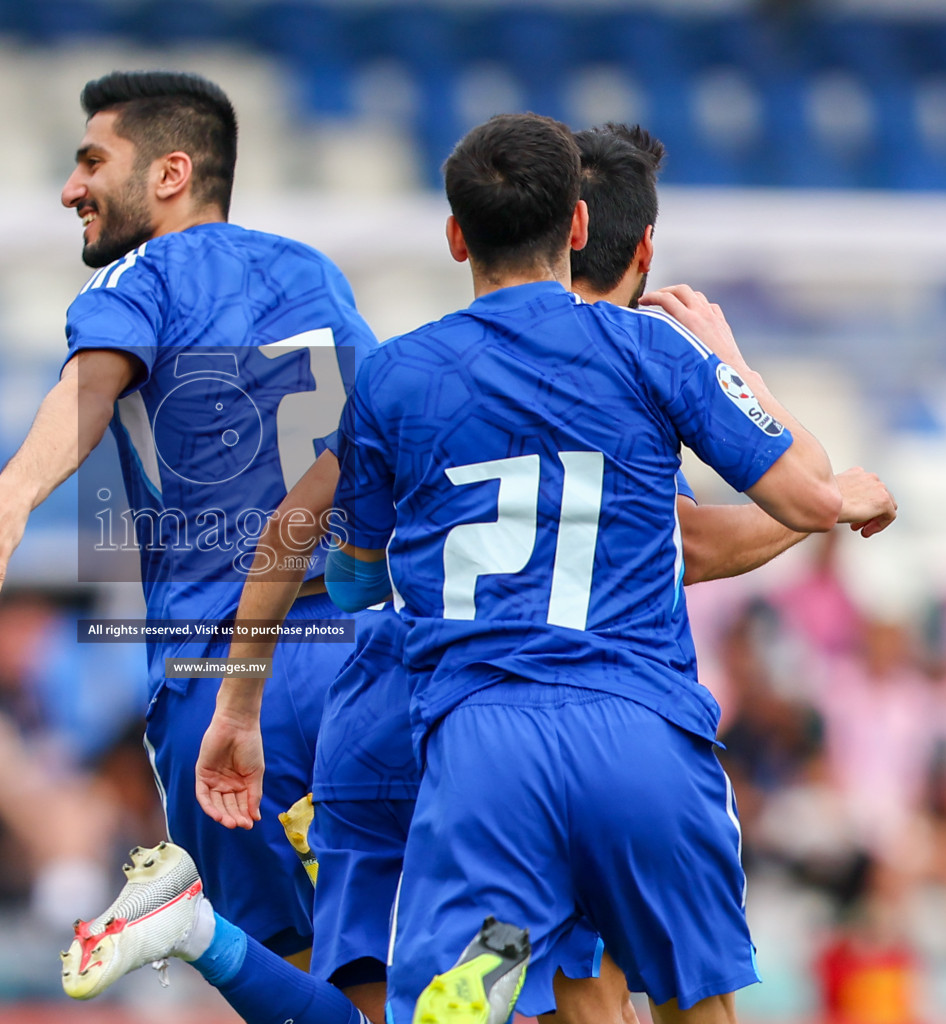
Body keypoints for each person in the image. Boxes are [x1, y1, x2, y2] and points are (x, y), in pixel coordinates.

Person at [193, 123, 897, 1024]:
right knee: (691, 1001)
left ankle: (490, 965)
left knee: (486, 980)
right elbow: (801, 494)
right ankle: (503, 958)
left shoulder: (396, 376)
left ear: (455, 236)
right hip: (640, 727)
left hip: (472, 739)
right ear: (576, 224)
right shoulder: (650, 352)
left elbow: (353, 581)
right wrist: (735, 368)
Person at [0, 71, 378, 1024]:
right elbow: (377, 438)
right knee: (374, 973)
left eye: (92, 161)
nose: (71, 187)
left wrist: (8, 498)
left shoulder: (139, 277)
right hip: (358, 667)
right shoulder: (314, 272)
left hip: (221, 676)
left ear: (171, 173)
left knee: (287, 973)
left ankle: (191, 928)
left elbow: (88, 391)